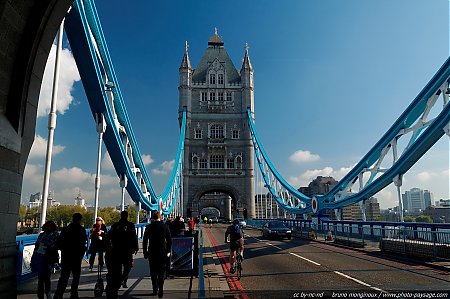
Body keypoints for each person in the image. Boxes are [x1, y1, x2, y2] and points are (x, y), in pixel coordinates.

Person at [105, 211, 138, 298]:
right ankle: (122, 280)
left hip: (116, 251)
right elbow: (134, 237)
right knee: (128, 267)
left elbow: (109, 237)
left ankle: (116, 288)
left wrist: (110, 246)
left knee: (117, 270)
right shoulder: (131, 225)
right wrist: (136, 247)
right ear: (127, 216)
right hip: (127, 251)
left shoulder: (115, 226)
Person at [53, 213, 87, 299]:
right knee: (76, 277)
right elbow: (83, 244)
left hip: (66, 256)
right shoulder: (81, 230)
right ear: (80, 219)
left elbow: (59, 243)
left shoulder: (66, 229)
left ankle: (59, 293)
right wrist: (81, 254)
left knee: (64, 277)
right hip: (76, 257)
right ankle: (74, 293)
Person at [143, 212, 172, 298]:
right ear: (160, 217)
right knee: (162, 271)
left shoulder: (149, 227)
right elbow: (170, 240)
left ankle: (155, 289)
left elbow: (145, 241)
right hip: (162, 253)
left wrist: (145, 252)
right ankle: (161, 289)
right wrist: (168, 251)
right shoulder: (165, 226)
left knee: (153, 272)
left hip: (152, 252)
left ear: (152, 218)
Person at [31, 220, 59, 299]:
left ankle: (47, 293)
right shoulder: (42, 235)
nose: (47, 228)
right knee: (41, 279)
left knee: (47, 277)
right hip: (40, 258)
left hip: (49, 259)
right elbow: (37, 245)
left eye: (49, 226)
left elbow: (55, 246)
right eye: (47, 226)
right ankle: (41, 295)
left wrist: (46, 244)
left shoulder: (55, 235)